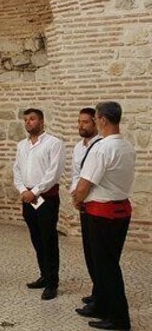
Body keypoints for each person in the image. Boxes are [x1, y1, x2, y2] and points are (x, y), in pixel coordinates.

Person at [72, 101, 135, 331]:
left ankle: (119, 319)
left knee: (106, 267)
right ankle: (100, 303)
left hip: (102, 213)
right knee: (106, 263)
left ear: (103, 120)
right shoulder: (127, 145)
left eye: (96, 118)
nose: (96, 121)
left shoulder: (102, 148)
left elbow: (84, 184)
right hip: (120, 211)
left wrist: (78, 199)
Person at [12, 108, 65, 301]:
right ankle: (44, 275)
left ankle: (53, 282)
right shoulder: (22, 145)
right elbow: (17, 169)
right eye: (26, 119)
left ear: (42, 121)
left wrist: (33, 192)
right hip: (27, 197)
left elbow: (53, 174)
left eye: (32, 119)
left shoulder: (54, 143)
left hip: (45, 198)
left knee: (48, 238)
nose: (28, 122)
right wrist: (22, 190)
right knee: (36, 237)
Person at [69, 108, 102, 309]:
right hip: (83, 204)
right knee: (89, 251)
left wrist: (82, 194)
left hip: (96, 203)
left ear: (95, 123)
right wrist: (76, 195)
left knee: (98, 253)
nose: (81, 126)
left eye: (85, 122)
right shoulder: (78, 147)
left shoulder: (101, 146)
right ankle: (97, 290)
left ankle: (102, 294)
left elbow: (94, 179)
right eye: (79, 122)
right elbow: (76, 174)